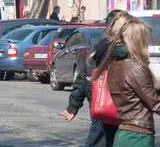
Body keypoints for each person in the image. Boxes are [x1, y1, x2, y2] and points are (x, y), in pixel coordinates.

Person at [91, 14, 160, 146]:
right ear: (137, 40)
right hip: (138, 135)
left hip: (123, 131)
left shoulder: (116, 63)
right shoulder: (136, 67)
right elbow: (154, 102)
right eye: (144, 37)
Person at [62, 10, 124, 146]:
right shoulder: (110, 44)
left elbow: (84, 74)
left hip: (101, 104)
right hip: (108, 104)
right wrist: (74, 105)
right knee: (100, 140)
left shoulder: (101, 42)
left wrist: (74, 105)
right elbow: (87, 74)